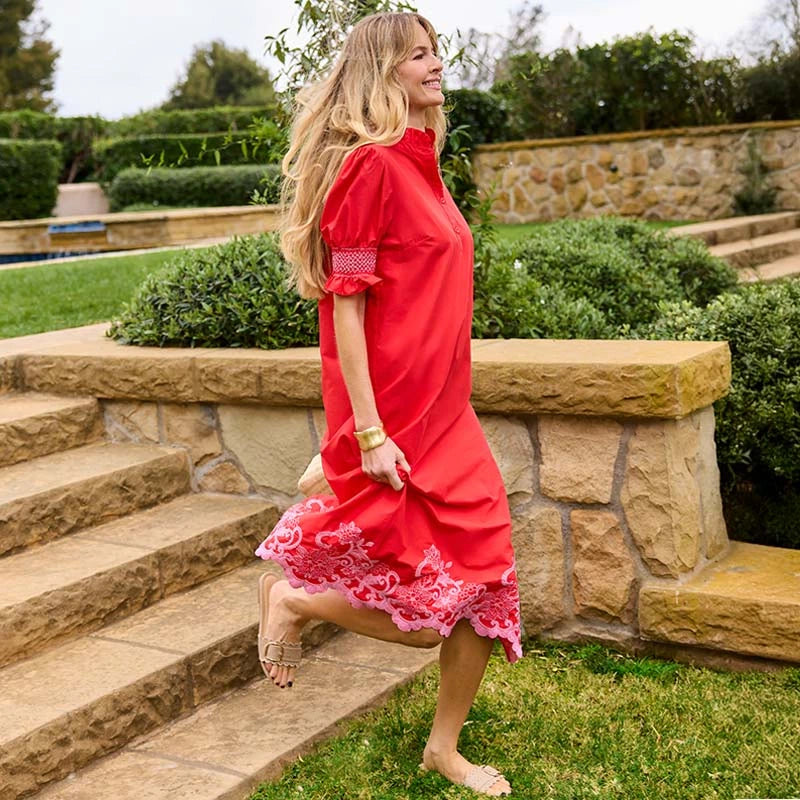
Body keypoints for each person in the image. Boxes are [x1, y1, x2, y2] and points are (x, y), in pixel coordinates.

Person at [254, 11, 522, 797]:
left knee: (488, 584)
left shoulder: (425, 158)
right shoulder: (370, 168)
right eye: (417, 55)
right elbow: (345, 306)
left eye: (436, 50)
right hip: (399, 419)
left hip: (447, 411)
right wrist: (366, 431)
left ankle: (444, 746)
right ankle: (297, 601)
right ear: (384, 73)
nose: (436, 64)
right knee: (426, 614)